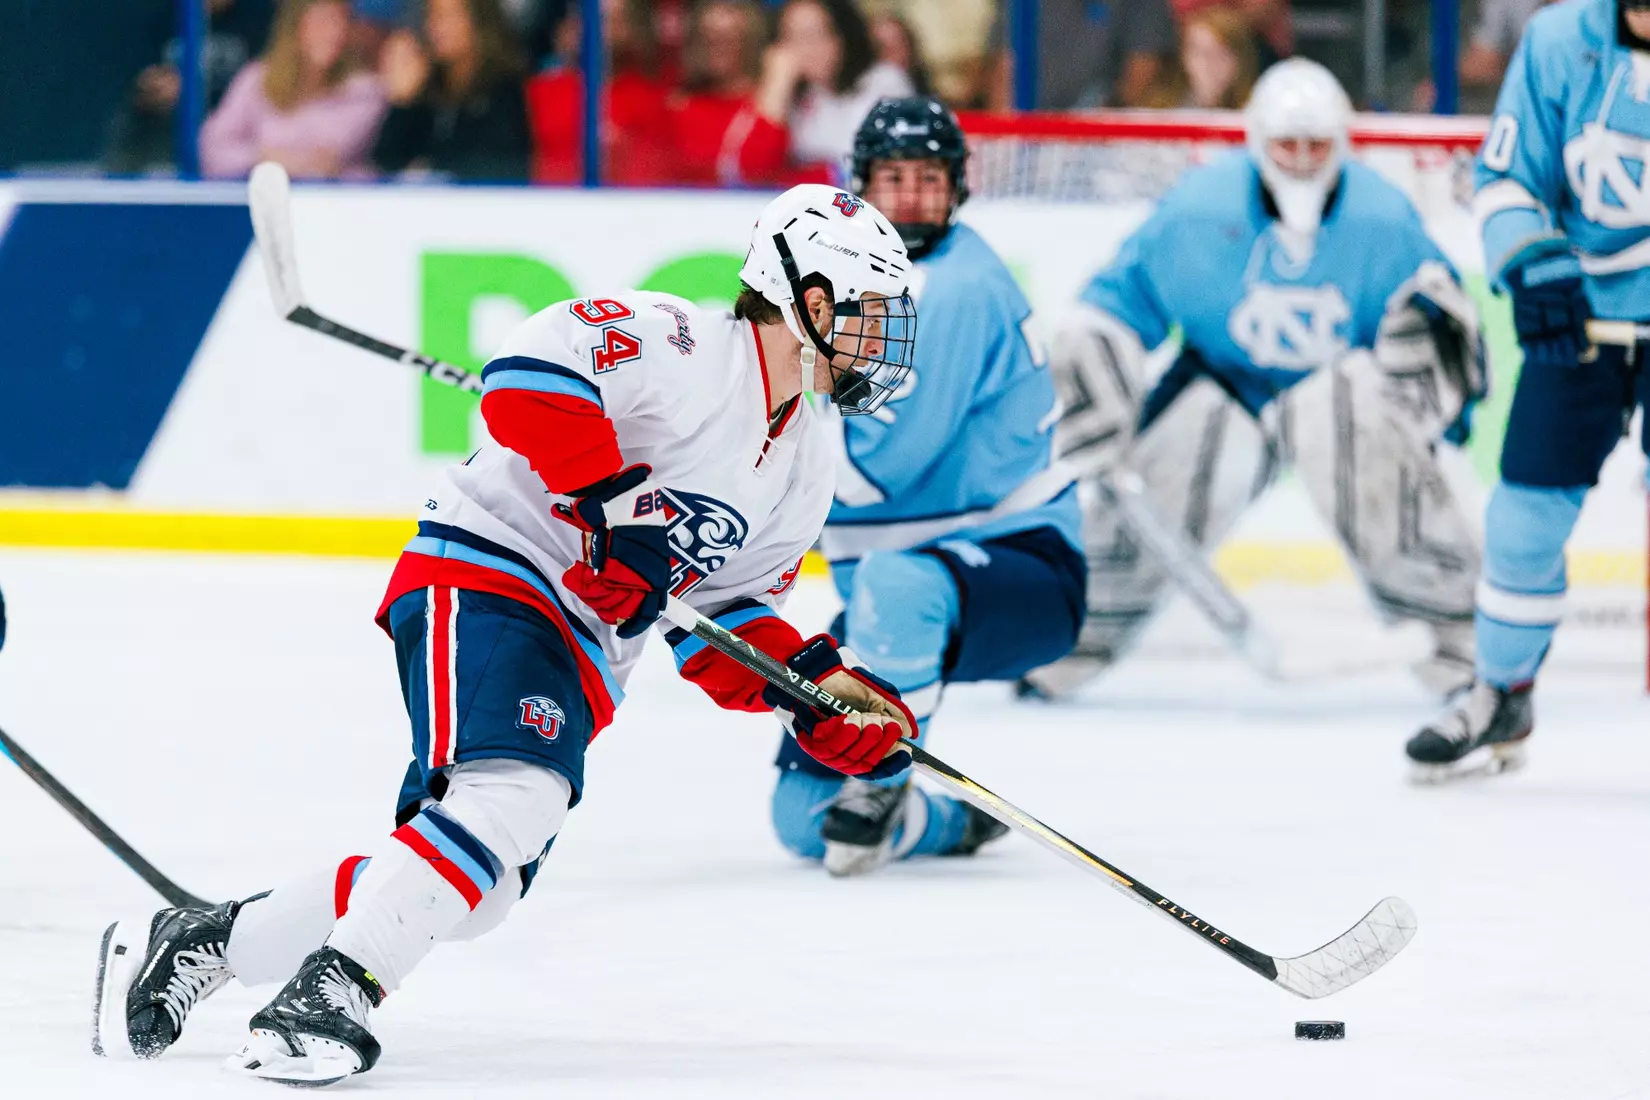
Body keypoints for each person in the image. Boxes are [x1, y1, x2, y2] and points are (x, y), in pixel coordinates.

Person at [91, 185, 922, 1083]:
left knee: (474, 893)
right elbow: (526, 376)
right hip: (493, 570)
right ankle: (333, 989)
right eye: (868, 313)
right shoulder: (682, 342)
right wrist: (618, 501)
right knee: (514, 793)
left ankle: (207, 940)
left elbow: (719, 615)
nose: (880, 340)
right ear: (807, 299)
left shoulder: (805, 465)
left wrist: (808, 688)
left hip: (585, 650)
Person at [1021, 59, 1486, 704]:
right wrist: (1094, 396)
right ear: (1256, 142)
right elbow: (1112, 309)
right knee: (1152, 498)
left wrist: (1421, 422)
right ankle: (1061, 646)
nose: (1299, 160)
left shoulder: (1386, 221)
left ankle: (1465, 655)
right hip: (1224, 384)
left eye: (1316, 145)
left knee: (1359, 447)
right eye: (1285, 144)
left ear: (1343, 145)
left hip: (1337, 393)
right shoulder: (1195, 211)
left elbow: (1442, 329)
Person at [770, 98, 1085, 877]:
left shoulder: (952, 287)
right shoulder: (864, 281)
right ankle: (945, 820)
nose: (910, 196)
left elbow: (877, 470)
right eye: (893, 178)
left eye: (928, 178)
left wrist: (740, 447)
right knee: (803, 823)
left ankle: (883, 780)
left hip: (1021, 569)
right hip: (902, 593)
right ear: (862, 188)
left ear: (957, 186)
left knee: (897, 579)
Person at [1404, 0, 1650, 780]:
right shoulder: (1557, 40)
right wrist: (1532, 258)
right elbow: (1508, 171)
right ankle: (1501, 691)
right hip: (1584, 316)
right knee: (1522, 520)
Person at [198, 0, 386, 180]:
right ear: (296, 26)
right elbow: (212, 150)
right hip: (265, 202)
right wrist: (263, 157)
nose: (334, 34)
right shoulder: (256, 79)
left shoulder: (365, 90)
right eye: (323, 22)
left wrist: (271, 157)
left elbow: (323, 160)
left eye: (341, 22)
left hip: (338, 205)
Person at [106, 0, 275, 175]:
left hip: (237, 135)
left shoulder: (260, 18)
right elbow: (140, 75)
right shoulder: (165, 16)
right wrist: (156, 86)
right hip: (169, 130)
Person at [373, 0, 532, 181]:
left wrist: (431, 165)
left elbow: (498, 162)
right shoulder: (428, 85)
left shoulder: (504, 89)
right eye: (431, 15)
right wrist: (402, 103)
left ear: (479, 20)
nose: (435, 24)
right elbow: (387, 161)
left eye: (448, 15)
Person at [526, 0, 673, 184]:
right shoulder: (540, 92)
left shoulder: (652, 100)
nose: (602, 31)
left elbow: (656, 174)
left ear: (631, 28)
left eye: (614, 20)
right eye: (599, 19)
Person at [773, 0, 914, 168]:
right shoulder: (800, 95)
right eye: (792, 37)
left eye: (815, 34)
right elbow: (757, 170)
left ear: (842, 34)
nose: (805, 49)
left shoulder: (885, 82)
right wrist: (776, 88)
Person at [987, 0, 1175, 111]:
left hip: (1104, 142)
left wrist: (1104, 122)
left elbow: (1143, 68)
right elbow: (1005, 70)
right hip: (1033, 137)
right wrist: (1008, 142)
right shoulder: (1021, 5)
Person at [1141, 5, 1260, 110]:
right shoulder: (1157, 113)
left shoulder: (1260, 114)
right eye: (1198, 51)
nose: (1208, 62)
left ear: (1240, 60)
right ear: (1183, 58)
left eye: (1221, 52)